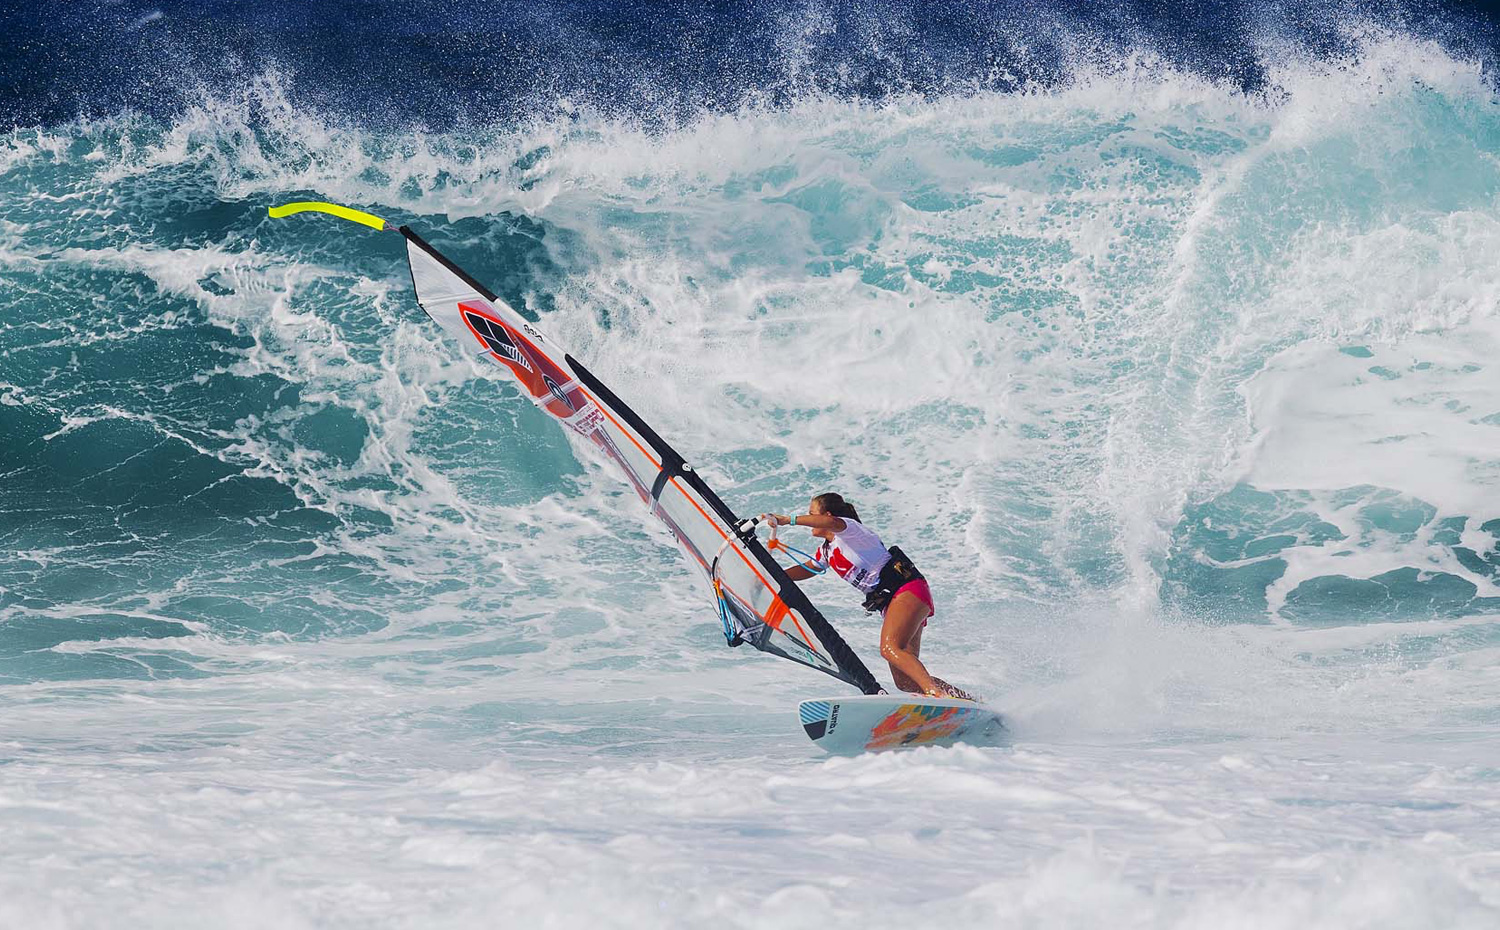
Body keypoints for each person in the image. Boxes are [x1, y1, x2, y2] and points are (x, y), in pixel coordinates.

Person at [761, 493, 973, 700]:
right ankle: (965, 700)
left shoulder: (851, 531)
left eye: (811, 513)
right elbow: (809, 568)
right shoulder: (826, 550)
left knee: (890, 649)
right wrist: (770, 576)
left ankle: (936, 693)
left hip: (907, 590)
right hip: (892, 603)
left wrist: (788, 520)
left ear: (825, 514)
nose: (809, 519)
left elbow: (832, 522)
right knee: (905, 681)